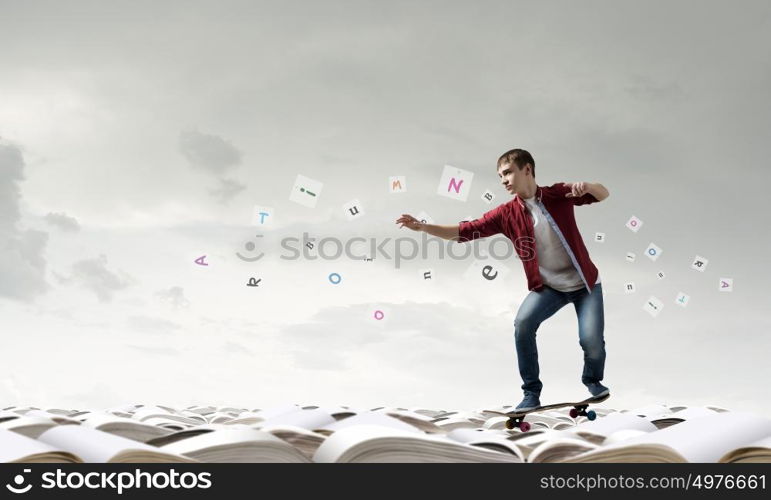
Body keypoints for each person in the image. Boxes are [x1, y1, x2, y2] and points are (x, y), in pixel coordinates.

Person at [396, 148, 610, 411]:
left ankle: (592, 381)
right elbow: (465, 231)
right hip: (550, 287)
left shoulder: (558, 194)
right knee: (523, 324)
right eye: (500, 176)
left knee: (591, 341)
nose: (504, 180)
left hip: (586, 284)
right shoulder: (505, 214)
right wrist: (423, 227)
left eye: (508, 173)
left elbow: (603, 194)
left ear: (527, 169)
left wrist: (587, 186)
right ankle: (531, 393)